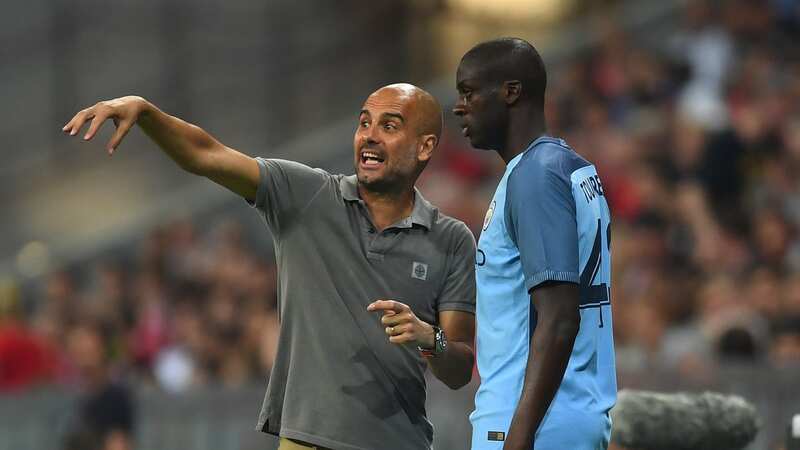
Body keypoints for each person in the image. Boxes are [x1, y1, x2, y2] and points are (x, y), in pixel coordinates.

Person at [63, 83, 476, 450]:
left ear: (424, 147)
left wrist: (429, 337)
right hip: (306, 441)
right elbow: (206, 154)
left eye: (389, 126)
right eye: (364, 122)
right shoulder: (307, 195)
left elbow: (457, 368)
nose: (369, 135)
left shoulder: (452, 239)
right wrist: (147, 112)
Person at [453, 38, 617, 450]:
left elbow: (560, 316)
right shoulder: (571, 168)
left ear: (511, 92)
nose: (459, 107)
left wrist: (519, 434)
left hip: (531, 420)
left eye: (469, 92)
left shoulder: (535, 176)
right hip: (574, 411)